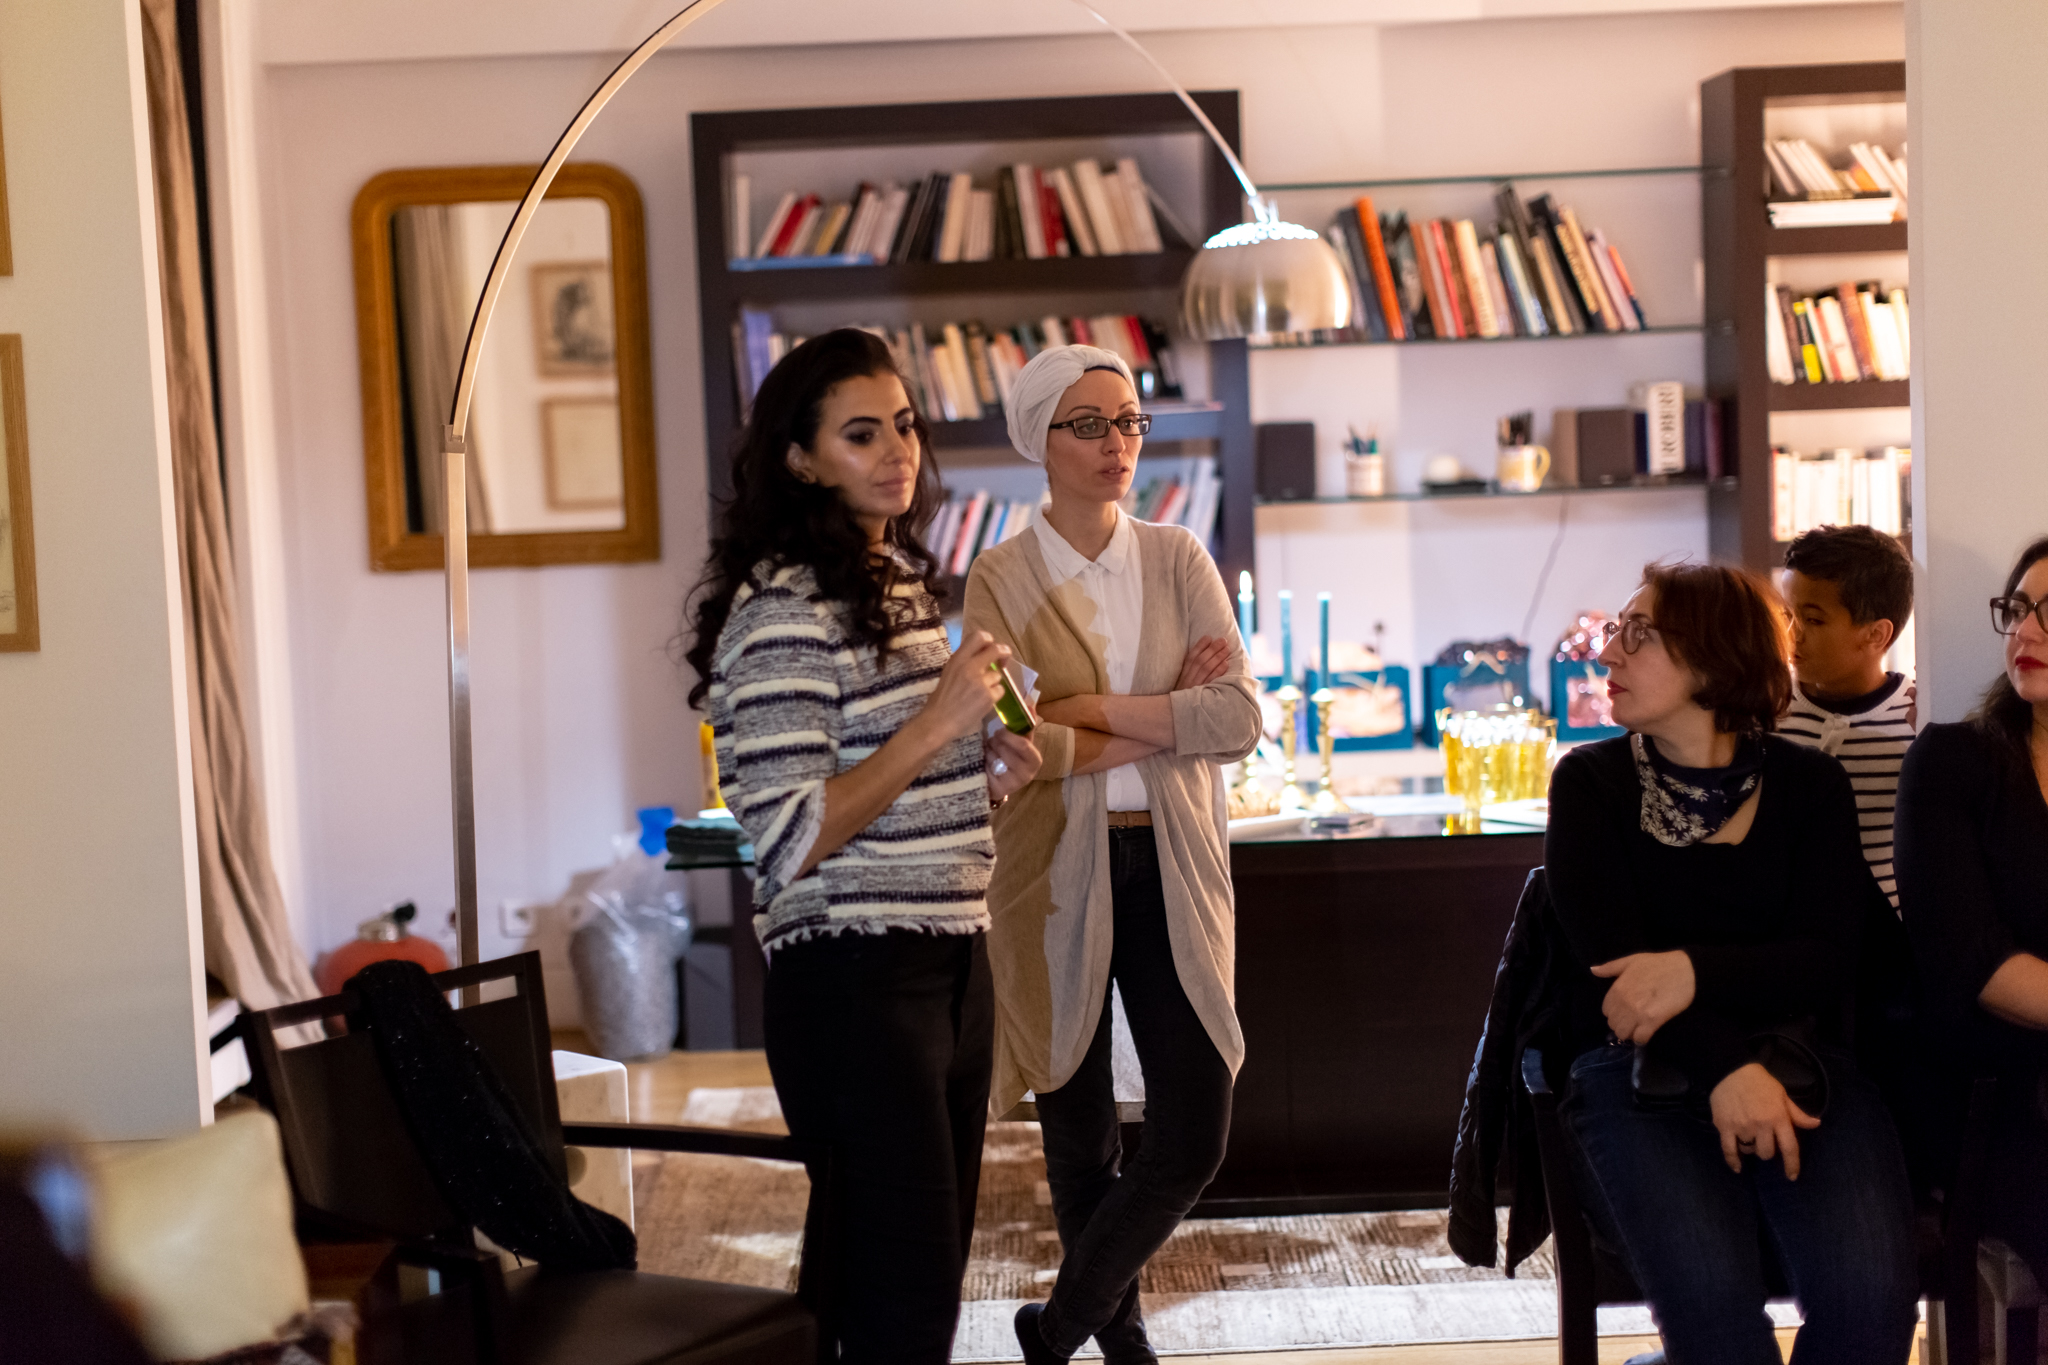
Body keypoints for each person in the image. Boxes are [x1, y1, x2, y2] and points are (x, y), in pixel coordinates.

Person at [684, 329, 1042, 1364]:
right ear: (801, 459)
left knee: (909, 1285)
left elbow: (892, 785)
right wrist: (937, 724)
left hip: (948, 958)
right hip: (853, 978)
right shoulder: (780, 612)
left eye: (904, 425)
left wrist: (981, 774)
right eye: (861, 433)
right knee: (904, 1303)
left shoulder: (891, 585)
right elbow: (788, 834)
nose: (898, 451)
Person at [961, 344, 1260, 1365]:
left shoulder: (1178, 557)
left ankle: (1054, 1332)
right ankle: (1124, 1347)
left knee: (1192, 1133)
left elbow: (1238, 718)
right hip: (1049, 873)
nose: (1115, 442)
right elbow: (1013, 744)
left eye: (1128, 420)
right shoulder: (998, 578)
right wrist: (1166, 715)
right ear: (1040, 442)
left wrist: (1085, 709)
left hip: (1174, 866)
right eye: (1087, 424)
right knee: (1078, 1130)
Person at [1545, 562, 1918, 1365]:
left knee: (1871, 1311)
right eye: (1614, 631)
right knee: (1720, 1334)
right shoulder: (1590, 784)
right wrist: (1726, 1066)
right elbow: (1618, 981)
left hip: (1805, 1065)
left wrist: (1687, 971)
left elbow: (1826, 961)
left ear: (1713, 656)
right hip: (1635, 1071)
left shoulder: (1810, 784)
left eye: (1637, 634)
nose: (1607, 653)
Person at [1895, 536, 2048, 1283]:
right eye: (2017, 609)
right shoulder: (1951, 762)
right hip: (1995, 1098)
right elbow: (1975, 963)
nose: (2025, 631)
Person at [1779, 525, 1918, 907]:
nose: (1791, 633)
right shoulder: (1764, 706)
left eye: (1813, 620)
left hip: (1886, 928)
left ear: (1876, 635)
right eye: (1786, 614)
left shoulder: (1916, 717)